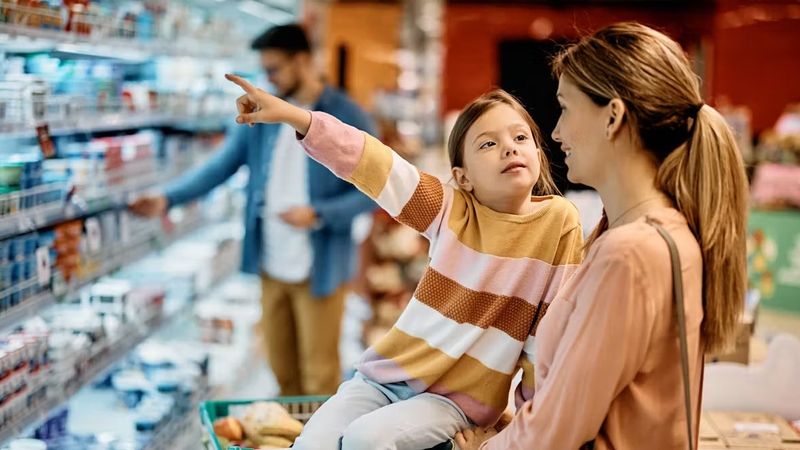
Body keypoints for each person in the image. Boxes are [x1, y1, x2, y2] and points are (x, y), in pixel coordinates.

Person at [226, 73, 585, 450]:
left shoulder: (559, 222)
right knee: (311, 441)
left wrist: (522, 431)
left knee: (366, 439)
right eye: (489, 144)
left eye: (521, 137)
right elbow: (379, 166)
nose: (510, 148)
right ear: (463, 178)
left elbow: (543, 340)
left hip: (456, 402)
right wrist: (297, 118)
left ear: (539, 153)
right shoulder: (451, 211)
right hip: (385, 377)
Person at [454, 22, 749, 450]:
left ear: (612, 117)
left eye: (566, 109)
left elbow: (557, 432)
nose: (554, 133)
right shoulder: (652, 232)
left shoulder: (629, 254)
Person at [128, 24, 377, 397]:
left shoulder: (347, 114)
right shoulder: (265, 114)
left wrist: (320, 214)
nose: (269, 79)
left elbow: (372, 192)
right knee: (281, 371)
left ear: (303, 60)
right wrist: (167, 199)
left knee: (319, 374)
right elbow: (221, 165)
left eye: (275, 69)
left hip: (320, 267)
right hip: (271, 262)